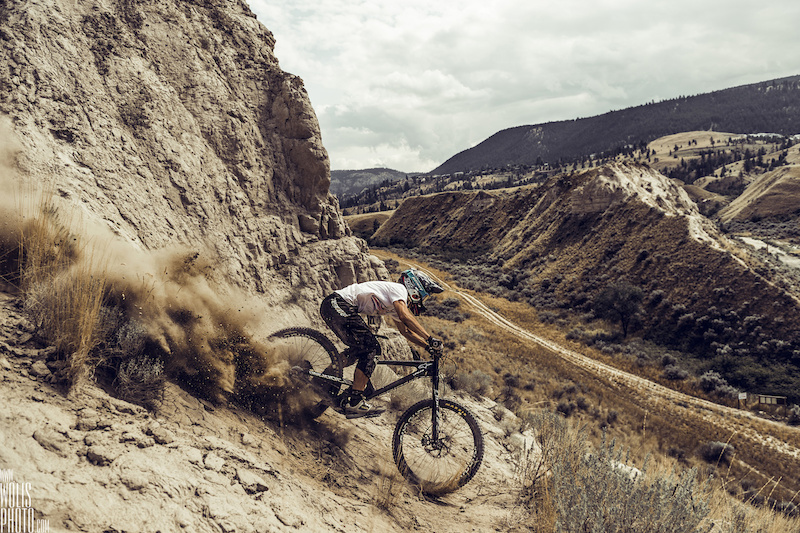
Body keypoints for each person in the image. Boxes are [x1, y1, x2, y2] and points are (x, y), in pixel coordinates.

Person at [320, 269, 444, 418]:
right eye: (424, 296)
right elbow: (405, 316)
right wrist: (430, 339)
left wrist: (427, 346)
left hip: (336, 307)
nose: (423, 301)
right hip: (337, 304)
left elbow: (406, 332)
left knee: (361, 350)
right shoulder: (400, 290)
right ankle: (354, 401)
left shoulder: (394, 306)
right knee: (372, 348)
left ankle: (323, 381)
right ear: (416, 288)